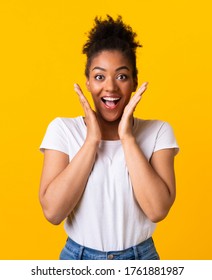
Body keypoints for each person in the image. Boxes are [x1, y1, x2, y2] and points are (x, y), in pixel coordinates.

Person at [39, 15, 179, 260]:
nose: (111, 88)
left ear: (135, 81)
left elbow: (157, 210)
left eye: (122, 76)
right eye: (100, 76)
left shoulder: (158, 132)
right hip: (78, 259)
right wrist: (92, 140)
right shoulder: (62, 129)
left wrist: (127, 138)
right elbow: (53, 212)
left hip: (140, 259)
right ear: (88, 83)